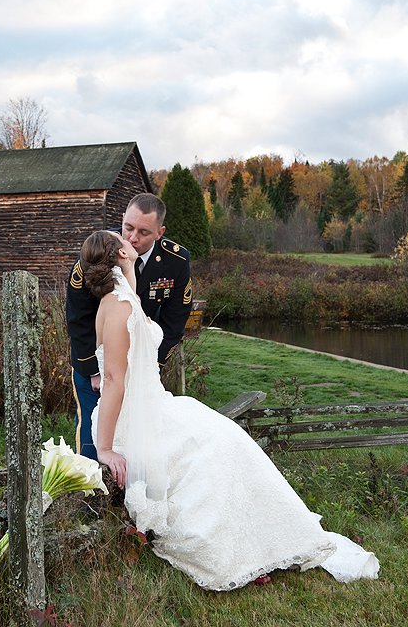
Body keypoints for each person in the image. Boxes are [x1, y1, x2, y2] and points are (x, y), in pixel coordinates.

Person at [78, 230, 379, 590]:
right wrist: (106, 447)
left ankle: (260, 537)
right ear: (122, 256)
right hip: (136, 417)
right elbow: (113, 380)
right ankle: (232, 550)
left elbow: (130, 302)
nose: (131, 240)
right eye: (124, 240)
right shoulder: (118, 307)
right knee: (212, 450)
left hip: (154, 405)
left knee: (228, 439)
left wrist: (127, 272)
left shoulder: (123, 297)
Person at [66, 193, 192, 460]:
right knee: (92, 437)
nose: (133, 236)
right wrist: (93, 371)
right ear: (122, 218)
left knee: (144, 439)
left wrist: (149, 367)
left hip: (143, 367)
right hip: (96, 366)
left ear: (160, 232)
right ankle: (87, 497)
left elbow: (174, 322)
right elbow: (78, 320)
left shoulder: (176, 261)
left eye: (144, 232)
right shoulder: (97, 253)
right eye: (128, 227)